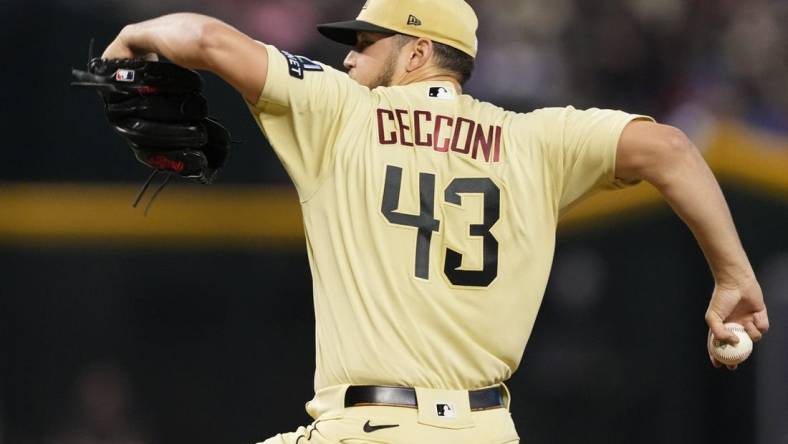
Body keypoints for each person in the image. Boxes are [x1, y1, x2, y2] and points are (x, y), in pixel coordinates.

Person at [100, 0, 770, 442]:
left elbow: (207, 38)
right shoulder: (532, 140)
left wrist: (130, 40)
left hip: (368, 427)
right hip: (486, 431)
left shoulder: (342, 113)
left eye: (364, 44)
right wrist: (732, 276)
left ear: (416, 52)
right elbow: (673, 150)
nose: (349, 59)